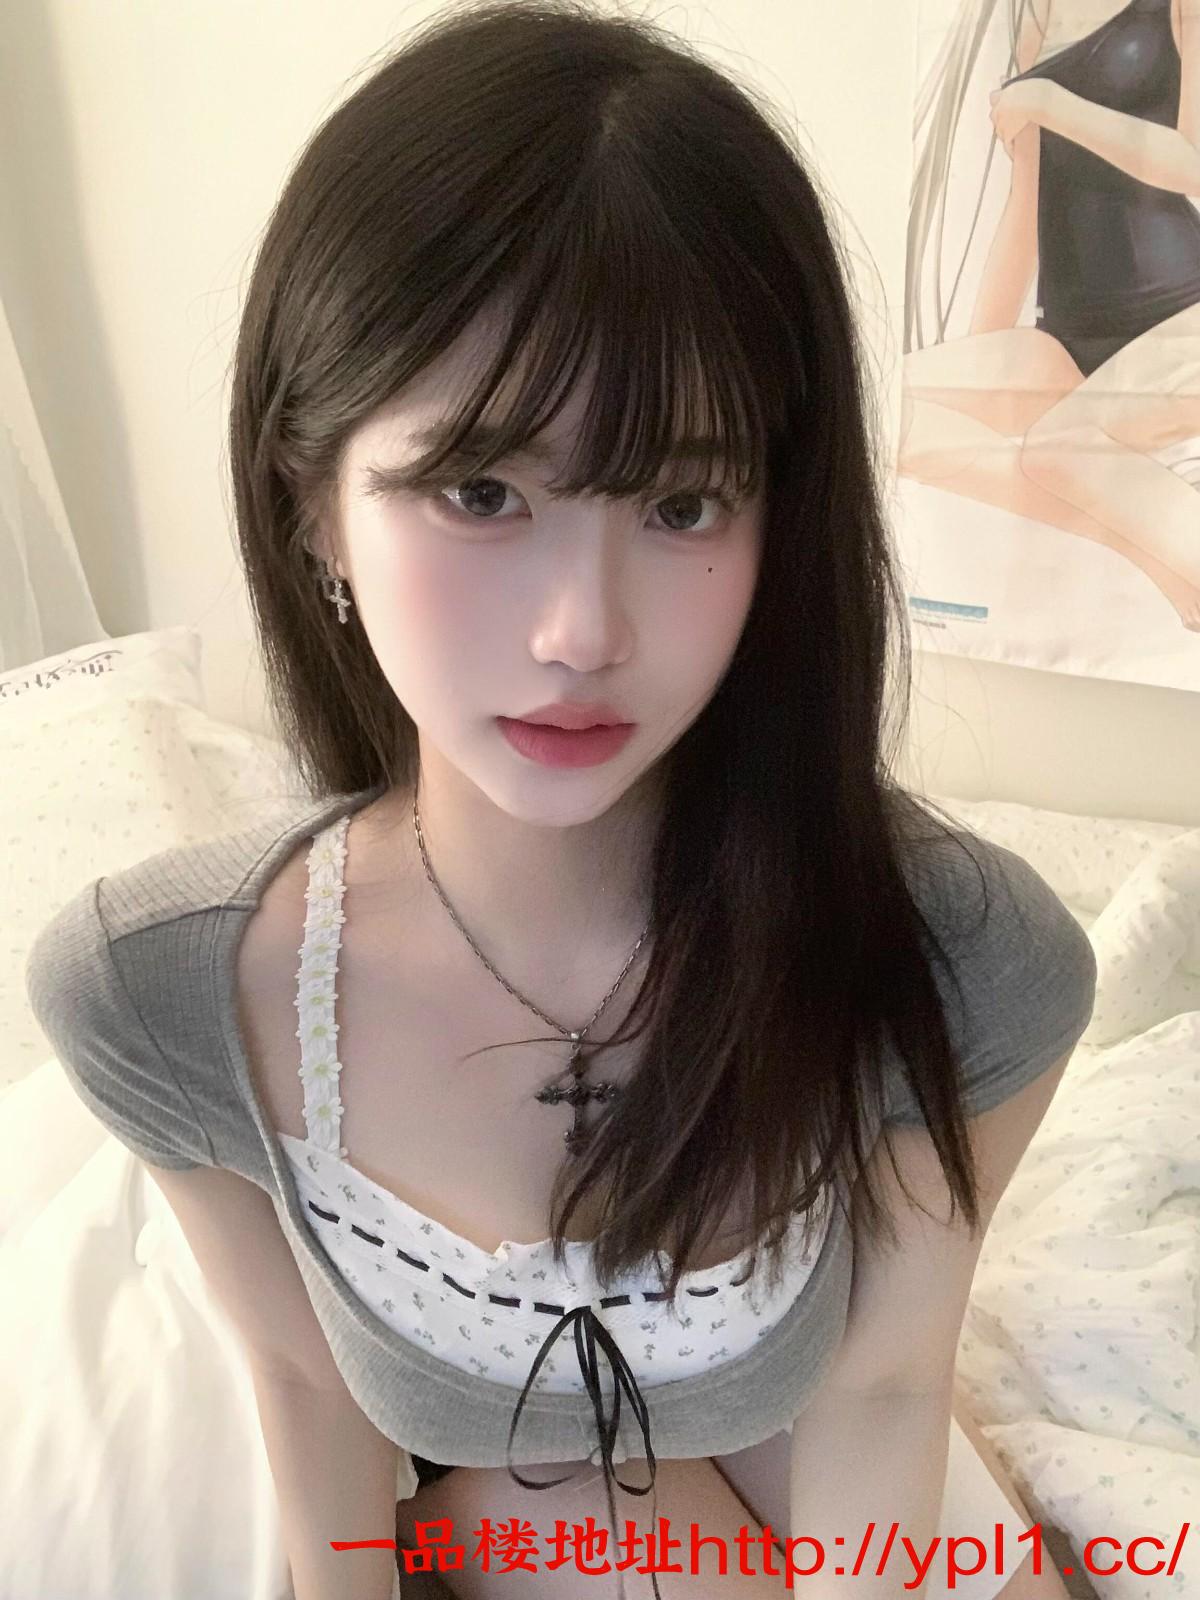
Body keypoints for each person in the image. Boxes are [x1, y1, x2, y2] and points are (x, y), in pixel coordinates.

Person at [25, 2, 1099, 1596]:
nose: (582, 633)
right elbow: (309, 1390)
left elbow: (881, 1389)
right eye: (482, 491)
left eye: (684, 501)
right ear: (314, 506)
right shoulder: (165, 989)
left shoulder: (966, 959)